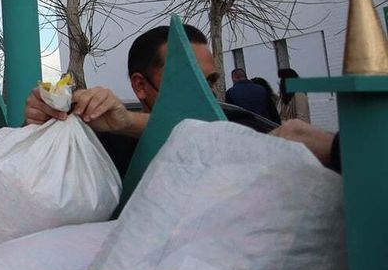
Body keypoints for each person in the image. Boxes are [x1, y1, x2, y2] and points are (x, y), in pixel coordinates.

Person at [23, 26, 339, 174]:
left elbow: (216, 135)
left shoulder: (236, 121)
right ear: (140, 86)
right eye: (189, 83)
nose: (206, 93)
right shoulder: (106, 141)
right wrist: (41, 117)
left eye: (210, 82)